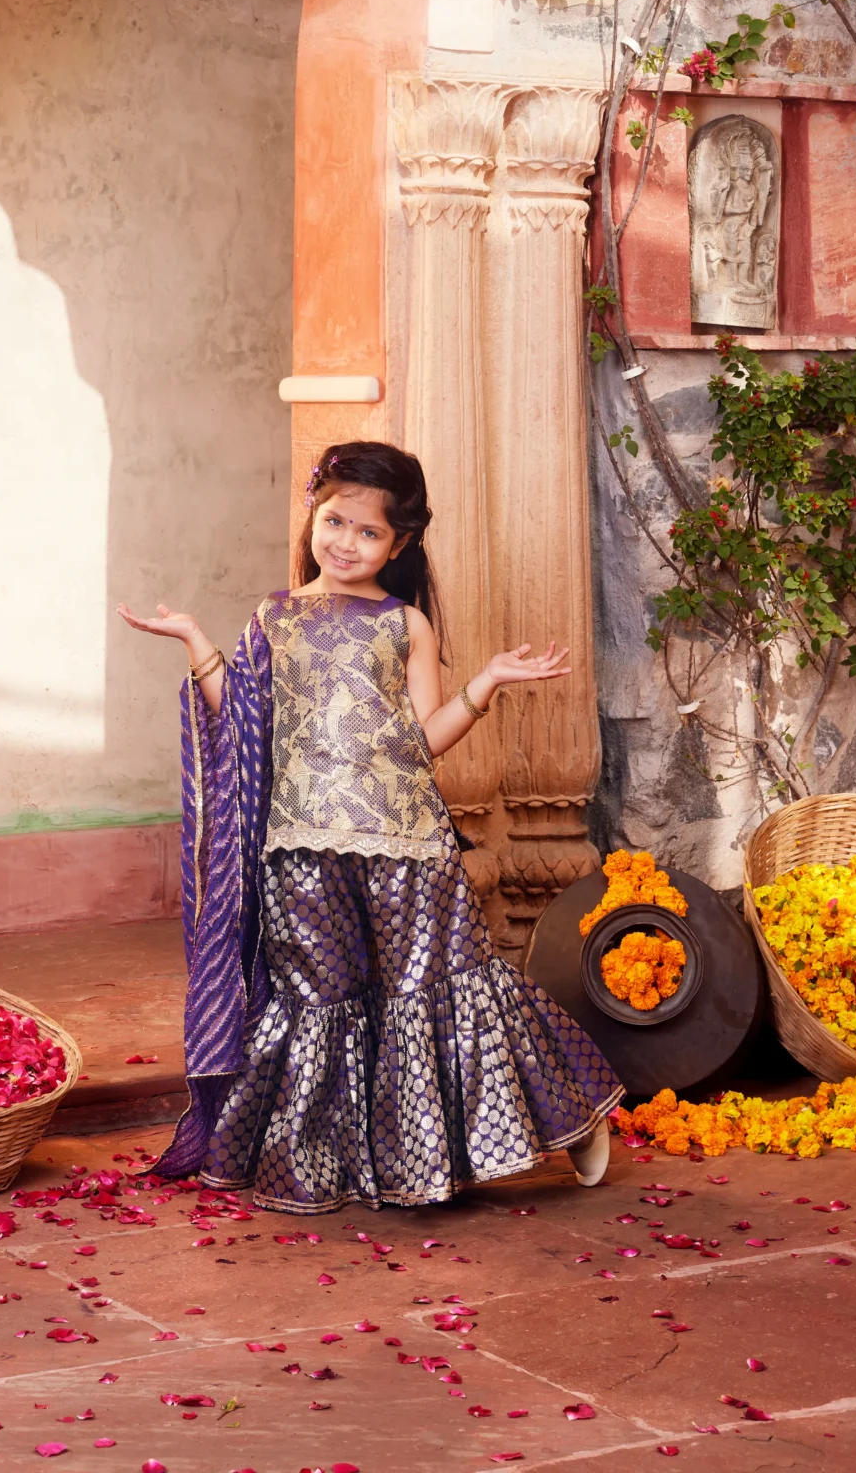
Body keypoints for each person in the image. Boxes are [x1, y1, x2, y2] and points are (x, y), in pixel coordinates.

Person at [120, 438, 622, 1213]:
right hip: (296, 850)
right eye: (335, 521)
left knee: (436, 991)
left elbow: (422, 739)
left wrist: (485, 684)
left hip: (406, 847)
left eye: (368, 532)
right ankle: (330, 1161)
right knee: (316, 1001)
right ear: (314, 516)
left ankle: (566, 1120)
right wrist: (197, 645)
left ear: (402, 542)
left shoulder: (404, 624)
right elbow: (246, 725)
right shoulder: (274, 618)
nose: (346, 543)